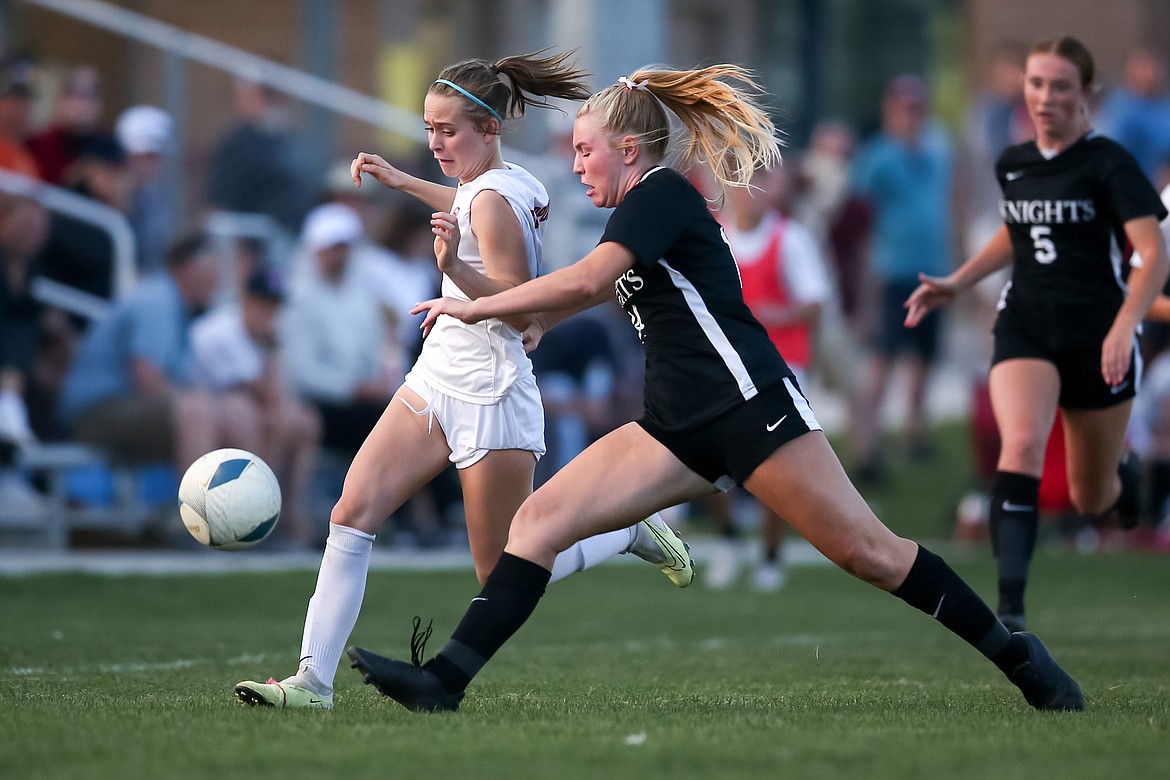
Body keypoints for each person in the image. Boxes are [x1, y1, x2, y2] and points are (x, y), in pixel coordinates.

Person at [346, 63, 1086, 715]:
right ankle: (444, 682)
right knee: (535, 524)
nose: (574, 166)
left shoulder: (660, 194)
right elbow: (572, 297)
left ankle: (1018, 658)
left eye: (583, 149)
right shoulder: (634, 212)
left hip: (749, 407)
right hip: (674, 426)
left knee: (871, 554)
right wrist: (509, 305)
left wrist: (476, 303)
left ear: (628, 151)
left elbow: (588, 279)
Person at [234, 52, 694, 711]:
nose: (436, 143)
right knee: (352, 513)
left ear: (487, 128)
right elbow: (468, 200)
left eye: (449, 131)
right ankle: (312, 682)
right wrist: (402, 181)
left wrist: (457, 277)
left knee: (502, 569)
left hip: (492, 392)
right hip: (437, 376)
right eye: (429, 129)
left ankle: (625, 532)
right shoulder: (505, 184)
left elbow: (520, 300)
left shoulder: (498, 198)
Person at [904, 35, 1170, 633]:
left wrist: (1124, 325)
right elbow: (1016, 231)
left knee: (1091, 497)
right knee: (1019, 445)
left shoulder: (1110, 164)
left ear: (1086, 96)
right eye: (1036, 84)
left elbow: (1152, 255)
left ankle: (1124, 484)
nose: (1045, 97)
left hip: (1098, 333)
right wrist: (957, 279)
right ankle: (1012, 614)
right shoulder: (1014, 162)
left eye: (1059, 86)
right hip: (1027, 325)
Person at [706, 163, 832, 591]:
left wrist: (773, 315)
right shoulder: (713, 237)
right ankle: (728, 542)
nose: (751, 189)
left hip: (780, 367)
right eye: (742, 178)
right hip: (725, 367)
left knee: (774, 466)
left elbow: (814, 306)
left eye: (761, 178)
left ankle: (771, 555)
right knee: (707, 457)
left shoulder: (790, 239)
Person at [57, 232, 243, 473]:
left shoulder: (182, 310)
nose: (216, 281)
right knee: (196, 411)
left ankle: (251, 507)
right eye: (211, 271)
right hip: (93, 414)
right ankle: (197, 510)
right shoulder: (157, 299)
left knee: (237, 411)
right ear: (188, 268)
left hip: (128, 409)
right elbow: (147, 379)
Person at [851, 74, 954, 479]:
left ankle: (915, 432)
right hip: (891, 271)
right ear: (890, 110)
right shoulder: (877, 157)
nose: (913, 116)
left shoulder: (937, 150)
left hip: (933, 269)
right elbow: (859, 219)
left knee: (925, 358)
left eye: (918, 108)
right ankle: (870, 439)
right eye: (905, 108)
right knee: (884, 356)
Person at [191, 266, 323, 547]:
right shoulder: (218, 331)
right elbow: (253, 393)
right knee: (246, 413)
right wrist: (271, 351)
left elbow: (274, 398)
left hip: (243, 410)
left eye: (274, 306)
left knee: (303, 421)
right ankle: (252, 515)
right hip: (205, 412)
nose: (271, 313)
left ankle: (290, 516)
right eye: (265, 305)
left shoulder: (266, 336)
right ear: (248, 301)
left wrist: (270, 349)